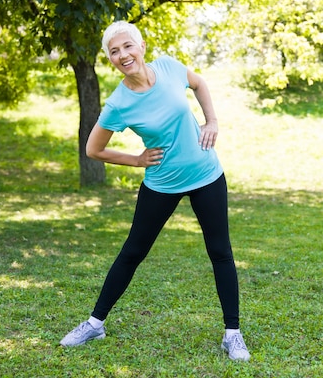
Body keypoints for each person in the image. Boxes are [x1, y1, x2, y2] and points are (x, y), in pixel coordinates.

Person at [59, 21, 250, 361]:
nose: (123, 55)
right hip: (161, 183)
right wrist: (136, 160)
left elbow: (200, 83)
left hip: (207, 174)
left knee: (220, 251)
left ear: (141, 46)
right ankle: (95, 323)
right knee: (132, 252)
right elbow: (93, 149)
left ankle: (232, 335)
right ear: (111, 60)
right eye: (114, 52)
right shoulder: (119, 103)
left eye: (127, 47)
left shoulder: (169, 67)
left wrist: (212, 122)